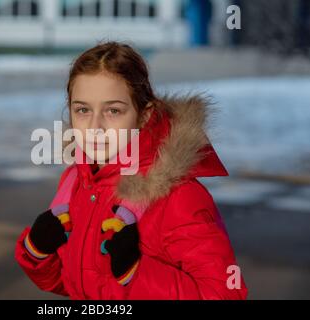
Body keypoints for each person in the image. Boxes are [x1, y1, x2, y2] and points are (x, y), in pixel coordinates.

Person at [14, 41, 248, 299]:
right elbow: (80, 284)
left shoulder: (179, 197)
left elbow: (226, 294)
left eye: (113, 110)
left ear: (144, 115)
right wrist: (37, 252)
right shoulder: (77, 183)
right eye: (82, 110)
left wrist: (136, 272)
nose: (95, 126)